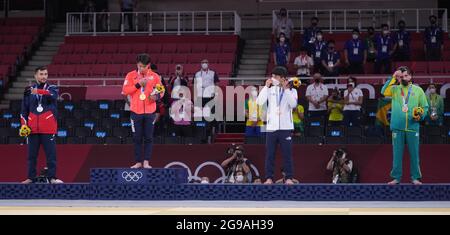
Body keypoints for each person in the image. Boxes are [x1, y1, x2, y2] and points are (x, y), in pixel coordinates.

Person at [381, 66, 429, 185]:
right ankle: (396, 177)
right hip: (397, 127)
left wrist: (420, 115)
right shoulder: (395, 89)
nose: (404, 78)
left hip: (413, 127)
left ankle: (415, 178)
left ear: (411, 76)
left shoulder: (418, 90)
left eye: (406, 75)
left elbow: (425, 107)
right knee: (397, 154)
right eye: (401, 76)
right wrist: (393, 77)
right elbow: (383, 91)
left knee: (414, 154)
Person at [20, 66, 63, 184]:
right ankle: (30, 177)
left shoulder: (52, 88)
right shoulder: (28, 91)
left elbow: (52, 96)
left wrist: (38, 91)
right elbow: (24, 110)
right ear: (35, 76)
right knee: (31, 156)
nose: (44, 76)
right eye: (41, 74)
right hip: (32, 129)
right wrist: (24, 125)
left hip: (48, 129)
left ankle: (52, 177)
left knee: (51, 156)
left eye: (45, 74)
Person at [122, 53, 164, 169]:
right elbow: (125, 90)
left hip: (150, 112)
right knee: (137, 138)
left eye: (142, 66)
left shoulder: (155, 76)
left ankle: (146, 161)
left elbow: (161, 90)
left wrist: (156, 96)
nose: (140, 68)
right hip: (136, 112)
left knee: (149, 137)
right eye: (139, 66)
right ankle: (138, 162)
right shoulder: (131, 75)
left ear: (148, 65)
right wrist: (138, 84)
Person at [256, 66, 298, 185]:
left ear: (283, 78)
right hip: (271, 128)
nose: (272, 78)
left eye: (275, 76)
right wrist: (266, 87)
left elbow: (293, 104)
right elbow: (259, 102)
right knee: (270, 154)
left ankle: (289, 178)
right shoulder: (270, 89)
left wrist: (286, 90)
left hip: (285, 128)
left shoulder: (292, 91)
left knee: (287, 155)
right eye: (272, 76)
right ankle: (269, 178)